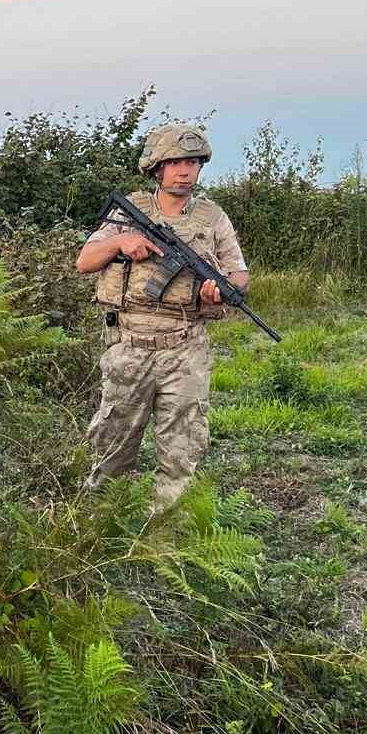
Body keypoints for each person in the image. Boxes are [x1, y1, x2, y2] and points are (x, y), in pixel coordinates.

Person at [75, 125, 249, 510]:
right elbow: (85, 261)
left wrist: (220, 290)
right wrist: (121, 241)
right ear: (156, 167)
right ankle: (104, 519)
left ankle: (165, 526)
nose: (184, 172)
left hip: (186, 347)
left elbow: (238, 275)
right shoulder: (129, 211)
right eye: (174, 163)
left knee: (182, 446)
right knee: (114, 443)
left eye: (193, 163)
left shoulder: (212, 217)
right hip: (129, 346)